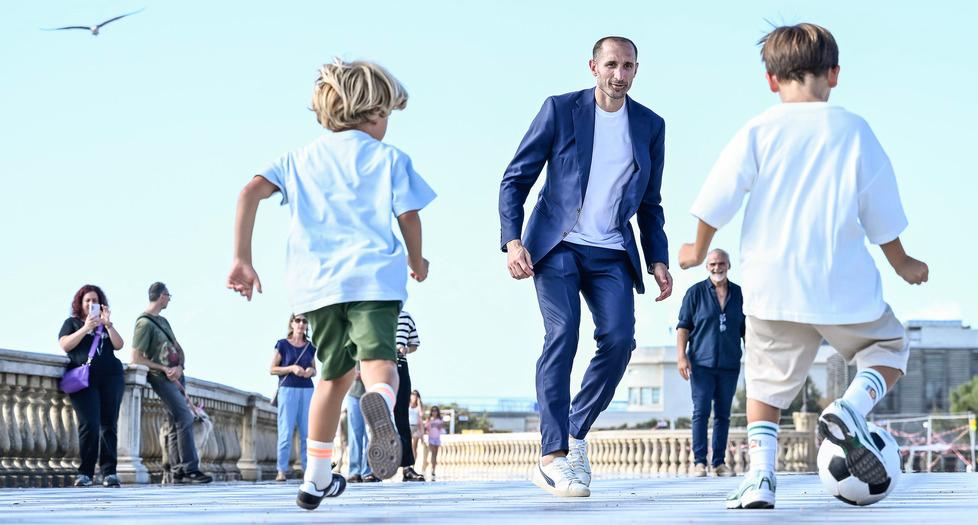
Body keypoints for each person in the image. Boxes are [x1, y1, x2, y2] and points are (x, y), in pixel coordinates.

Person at [678, 23, 929, 510]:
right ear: (834, 74)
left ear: (771, 80)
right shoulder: (854, 129)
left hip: (772, 284)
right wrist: (903, 263)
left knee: (766, 381)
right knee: (889, 345)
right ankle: (851, 408)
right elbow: (879, 210)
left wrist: (696, 247)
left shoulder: (756, 130)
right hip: (841, 281)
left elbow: (718, 197)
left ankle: (760, 479)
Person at [227, 58, 436, 510]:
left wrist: (242, 259)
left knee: (332, 380)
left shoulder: (297, 159)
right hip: (374, 281)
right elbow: (409, 216)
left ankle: (316, 479)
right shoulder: (389, 158)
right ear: (376, 113)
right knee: (379, 365)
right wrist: (417, 261)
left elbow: (248, 193)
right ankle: (379, 404)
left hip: (315, 289)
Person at [498, 36, 672, 498]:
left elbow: (650, 202)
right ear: (593, 66)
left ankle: (574, 433)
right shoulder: (560, 110)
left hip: (612, 249)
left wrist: (657, 259)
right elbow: (516, 178)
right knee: (563, 335)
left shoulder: (650, 125)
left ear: (637, 69)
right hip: (556, 246)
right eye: (611, 64)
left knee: (619, 340)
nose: (620, 74)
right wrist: (513, 241)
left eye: (628, 66)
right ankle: (552, 456)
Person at [131, 282, 213, 484]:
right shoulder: (144, 324)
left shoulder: (163, 321)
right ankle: (190, 468)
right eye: (168, 295)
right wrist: (163, 369)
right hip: (161, 379)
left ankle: (178, 469)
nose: (169, 299)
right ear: (161, 296)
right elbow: (136, 357)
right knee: (185, 417)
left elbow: (177, 347)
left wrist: (180, 367)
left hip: (176, 376)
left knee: (176, 421)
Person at [676, 249, 745, 478]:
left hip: (729, 363)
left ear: (729, 265)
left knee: (724, 414)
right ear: (707, 266)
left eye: (721, 263)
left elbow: (747, 330)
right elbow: (683, 327)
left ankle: (718, 463)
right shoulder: (695, 293)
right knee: (701, 412)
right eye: (713, 264)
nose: (717, 268)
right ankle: (699, 462)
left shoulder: (739, 294)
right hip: (701, 364)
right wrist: (681, 356)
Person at [58, 284, 125, 487]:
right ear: (80, 303)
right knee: (89, 424)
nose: (90, 304)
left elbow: (119, 345)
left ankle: (109, 472)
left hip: (111, 377)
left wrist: (108, 324)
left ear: (100, 304)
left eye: (94, 301)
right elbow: (65, 345)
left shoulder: (105, 325)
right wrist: (86, 328)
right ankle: (85, 473)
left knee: (109, 425)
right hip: (83, 379)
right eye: (87, 300)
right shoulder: (72, 323)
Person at [270, 313, 317, 481]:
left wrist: (311, 371)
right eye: (298, 320)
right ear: (291, 323)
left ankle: (308, 469)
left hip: (306, 390)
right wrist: (291, 368)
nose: (301, 324)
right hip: (288, 389)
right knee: (285, 432)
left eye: (304, 321)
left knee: (307, 433)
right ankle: (281, 470)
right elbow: (272, 369)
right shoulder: (282, 344)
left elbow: (314, 369)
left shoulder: (310, 346)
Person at [395, 310, 424, 482]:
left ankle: (407, 467)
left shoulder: (406, 317)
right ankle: (375, 467)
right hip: (381, 367)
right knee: (380, 418)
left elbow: (415, 344)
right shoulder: (377, 313)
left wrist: (406, 349)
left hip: (401, 367)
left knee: (402, 418)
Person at [344, 367, 379, 483]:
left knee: (371, 435)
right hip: (354, 393)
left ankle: (368, 471)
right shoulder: (349, 349)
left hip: (372, 394)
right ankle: (354, 472)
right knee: (354, 435)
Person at [425, 405, 444, 481]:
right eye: (433, 411)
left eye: (435, 411)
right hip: (431, 438)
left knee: (435, 454)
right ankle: (432, 469)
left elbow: (441, 428)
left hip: (437, 438)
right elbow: (426, 428)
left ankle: (434, 469)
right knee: (432, 453)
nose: (434, 412)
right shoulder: (429, 419)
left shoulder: (440, 419)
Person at [409, 390, 425, 468]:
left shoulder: (419, 407)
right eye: (412, 395)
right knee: (408, 447)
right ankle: (407, 465)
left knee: (414, 447)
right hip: (408, 427)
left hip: (416, 427)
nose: (414, 396)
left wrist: (418, 403)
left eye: (415, 395)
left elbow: (421, 414)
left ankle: (413, 465)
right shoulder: (407, 405)